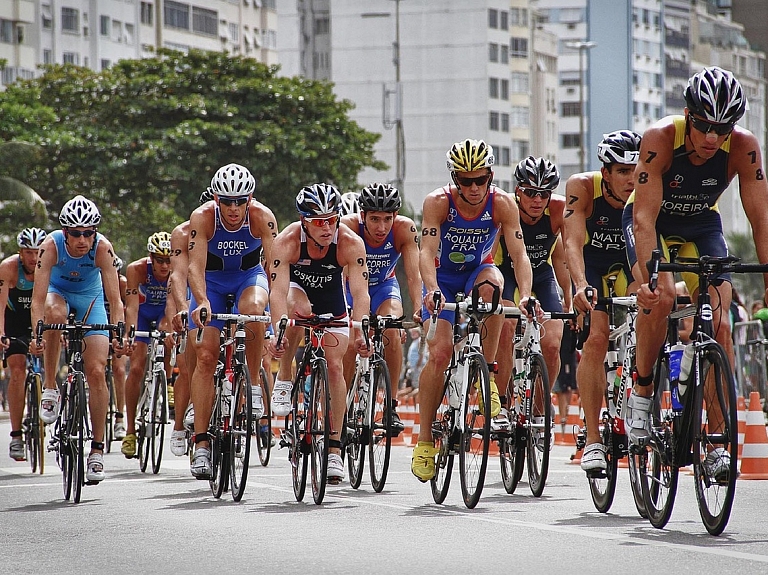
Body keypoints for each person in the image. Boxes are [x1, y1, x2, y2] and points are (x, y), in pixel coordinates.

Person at [627, 67, 768, 472]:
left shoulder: (743, 147)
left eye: (722, 128)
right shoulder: (660, 139)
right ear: (688, 116)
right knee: (663, 296)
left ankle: (717, 445)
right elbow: (643, 221)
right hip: (653, 221)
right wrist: (649, 278)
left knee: (719, 323)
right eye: (704, 125)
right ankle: (642, 391)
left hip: (701, 225)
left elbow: (760, 219)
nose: (711, 138)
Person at [411, 138, 536, 482]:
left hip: (477, 272)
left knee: (494, 293)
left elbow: (519, 255)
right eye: (465, 181)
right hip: (443, 280)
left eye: (481, 179)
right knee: (440, 354)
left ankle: (489, 379)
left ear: (491, 176)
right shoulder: (438, 203)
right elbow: (427, 250)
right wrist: (432, 290)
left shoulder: (503, 204)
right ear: (455, 179)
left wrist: (525, 295)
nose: (474, 187)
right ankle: (424, 441)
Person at [267, 183, 371, 483]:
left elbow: (361, 295)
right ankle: (285, 377)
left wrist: (361, 328)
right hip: (296, 291)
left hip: (330, 295)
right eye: (318, 222)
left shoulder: (350, 243)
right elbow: (277, 293)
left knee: (336, 365)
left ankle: (335, 449)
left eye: (331, 220)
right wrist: (278, 330)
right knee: (297, 313)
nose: (327, 228)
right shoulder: (286, 241)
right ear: (304, 222)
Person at [187, 164, 277, 479]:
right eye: (227, 201)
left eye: (241, 201)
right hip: (211, 282)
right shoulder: (202, 218)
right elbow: (194, 267)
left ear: (250, 198)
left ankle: (251, 383)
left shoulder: (262, 217)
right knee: (207, 355)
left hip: (247, 278)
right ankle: (200, 444)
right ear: (216, 199)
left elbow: (275, 270)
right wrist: (201, 302)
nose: (234, 208)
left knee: (254, 310)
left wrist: (275, 317)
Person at [30, 195, 126, 483]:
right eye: (75, 233)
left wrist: (119, 332)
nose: (82, 239)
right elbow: (37, 300)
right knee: (54, 314)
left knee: (96, 371)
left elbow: (115, 300)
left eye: (88, 232)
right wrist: (38, 333)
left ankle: (96, 450)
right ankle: (50, 386)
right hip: (57, 295)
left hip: (90, 298)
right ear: (65, 232)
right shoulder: (50, 246)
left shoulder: (103, 248)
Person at [563, 130, 642, 473]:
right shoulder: (582, 188)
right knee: (596, 337)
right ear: (605, 173)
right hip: (591, 267)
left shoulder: (648, 186)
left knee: (652, 322)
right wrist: (579, 285)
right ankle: (593, 438)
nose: (631, 179)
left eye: (636, 170)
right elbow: (572, 242)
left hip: (628, 264)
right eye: (622, 171)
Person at [495, 156, 571, 432]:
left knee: (552, 343)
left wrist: (572, 299)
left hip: (542, 273)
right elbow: (490, 255)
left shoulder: (559, 210)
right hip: (507, 272)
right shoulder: (505, 207)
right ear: (518, 191)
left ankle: (540, 409)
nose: (537, 200)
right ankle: (502, 403)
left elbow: (564, 259)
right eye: (530, 192)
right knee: (505, 326)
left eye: (544, 194)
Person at [341, 183, 422, 434]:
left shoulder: (404, 229)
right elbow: (341, 271)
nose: (381, 227)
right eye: (374, 219)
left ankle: (391, 404)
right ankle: (341, 408)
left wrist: (419, 310)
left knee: (391, 330)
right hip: (350, 289)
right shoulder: (348, 227)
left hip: (384, 287)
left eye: (388, 219)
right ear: (362, 215)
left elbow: (413, 276)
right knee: (349, 339)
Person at [165, 188, 212, 457]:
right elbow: (178, 276)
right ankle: (180, 424)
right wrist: (183, 308)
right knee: (187, 361)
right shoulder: (184, 234)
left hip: (219, 292)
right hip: (195, 296)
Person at [121, 232, 172, 458]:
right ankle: (130, 431)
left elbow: (173, 306)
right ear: (151, 258)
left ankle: (168, 380)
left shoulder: (177, 271)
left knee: (170, 334)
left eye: (169, 259)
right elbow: (131, 306)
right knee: (137, 367)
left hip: (163, 313)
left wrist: (169, 327)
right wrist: (129, 335)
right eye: (159, 260)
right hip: (141, 315)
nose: (164, 265)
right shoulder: (137, 269)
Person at [0, 228, 46, 461]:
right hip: (14, 323)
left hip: (40, 320)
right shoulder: (8, 268)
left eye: (38, 252)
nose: (34, 258)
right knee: (17, 371)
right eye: (29, 252)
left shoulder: (49, 266)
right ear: (20, 252)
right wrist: (0, 334)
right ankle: (16, 436)